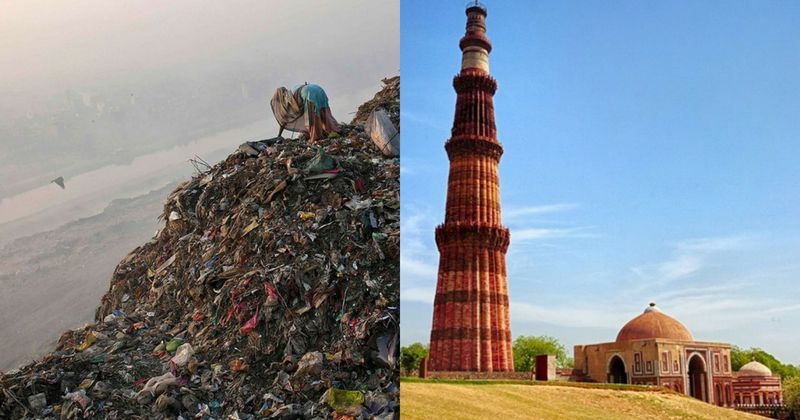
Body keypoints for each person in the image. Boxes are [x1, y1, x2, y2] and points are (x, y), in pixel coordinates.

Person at [270, 82, 339, 141]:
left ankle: (316, 137)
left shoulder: (286, 99)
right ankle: (333, 129)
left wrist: (279, 135)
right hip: (318, 89)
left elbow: (284, 120)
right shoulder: (292, 91)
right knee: (324, 112)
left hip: (309, 93)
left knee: (312, 117)